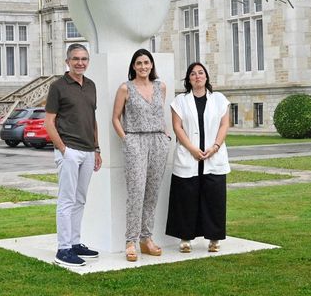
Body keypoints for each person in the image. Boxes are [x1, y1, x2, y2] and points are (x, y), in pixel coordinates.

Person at [44, 43, 102, 267]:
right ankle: (63, 248)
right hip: (69, 150)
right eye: (76, 58)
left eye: (84, 59)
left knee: (80, 199)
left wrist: (96, 148)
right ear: (67, 61)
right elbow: (49, 122)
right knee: (66, 200)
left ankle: (75, 243)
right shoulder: (58, 86)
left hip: (88, 151)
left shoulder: (91, 86)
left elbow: (92, 119)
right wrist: (63, 149)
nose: (80, 62)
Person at [111, 48, 171, 262]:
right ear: (133, 66)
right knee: (136, 191)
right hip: (135, 140)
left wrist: (164, 136)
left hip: (158, 141)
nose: (143, 67)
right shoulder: (125, 88)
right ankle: (130, 241)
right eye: (139, 63)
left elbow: (159, 114)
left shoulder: (160, 87)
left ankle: (147, 239)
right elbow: (116, 118)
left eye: (147, 63)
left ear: (152, 65)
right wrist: (126, 139)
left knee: (152, 192)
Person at [166, 62, 231, 253]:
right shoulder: (180, 101)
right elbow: (177, 127)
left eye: (201, 73)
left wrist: (216, 146)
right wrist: (192, 149)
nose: (197, 76)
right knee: (186, 198)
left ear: (206, 77)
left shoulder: (219, 99)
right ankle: (186, 238)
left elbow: (224, 125)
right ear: (188, 79)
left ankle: (214, 238)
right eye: (193, 74)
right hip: (189, 156)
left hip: (214, 155)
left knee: (214, 198)